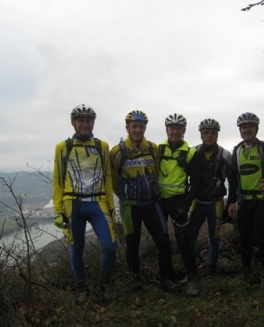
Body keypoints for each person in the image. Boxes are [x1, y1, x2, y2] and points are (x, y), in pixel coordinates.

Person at [52, 104, 117, 304]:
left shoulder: (102, 146)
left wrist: (110, 204)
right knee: (75, 248)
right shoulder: (63, 147)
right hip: (73, 203)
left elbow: (107, 177)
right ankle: (82, 287)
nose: (85, 124)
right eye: (81, 120)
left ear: (93, 123)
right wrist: (58, 210)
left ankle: (104, 283)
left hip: (98, 202)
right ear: (73, 123)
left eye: (88, 120)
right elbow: (58, 180)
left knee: (110, 247)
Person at [110, 110, 180, 293]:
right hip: (130, 206)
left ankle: (166, 278)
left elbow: (156, 171)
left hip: (152, 204)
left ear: (145, 128)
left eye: (141, 127)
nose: (137, 130)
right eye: (134, 126)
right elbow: (113, 178)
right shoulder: (118, 151)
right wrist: (123, 195)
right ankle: (135, 281)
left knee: (164, 241)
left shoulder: (153, 148)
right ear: (127, 128)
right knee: (132, 244)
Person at [227, 112, 264, 286]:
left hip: (261, 200)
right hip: (243, 201)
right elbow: (233, 179)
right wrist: (231, 201)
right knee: (244, 237)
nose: (247, 129)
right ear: (240, 130)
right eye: (243, 127)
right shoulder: (237, 150)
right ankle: (245, 269)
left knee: (262, 238)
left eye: (250, 126)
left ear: (256, 128)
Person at [158, 113, 199, 297]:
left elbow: (196, 182)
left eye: (178, 128)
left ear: (183, 131)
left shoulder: (191, 153)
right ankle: (167, 278)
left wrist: (186, 204)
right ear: (167, 130)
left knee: (184, 241)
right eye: (171, 128)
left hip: (179, 202)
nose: (175, 131)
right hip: (159, 201)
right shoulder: (158, 150)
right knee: (162, 241)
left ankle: (192, 280)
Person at [187, 118, 232, 276]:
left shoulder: (225, 154)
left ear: (217, 135)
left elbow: (233, 180)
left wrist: (231, 202)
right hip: (197, 202)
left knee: (214, 237)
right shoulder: (192, 152)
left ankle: (212, 269)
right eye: (206, 132)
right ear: (201, 135)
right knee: (190, 237)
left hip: (216, 203)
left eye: (213, 132)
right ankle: (191, 269)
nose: (210, 135)